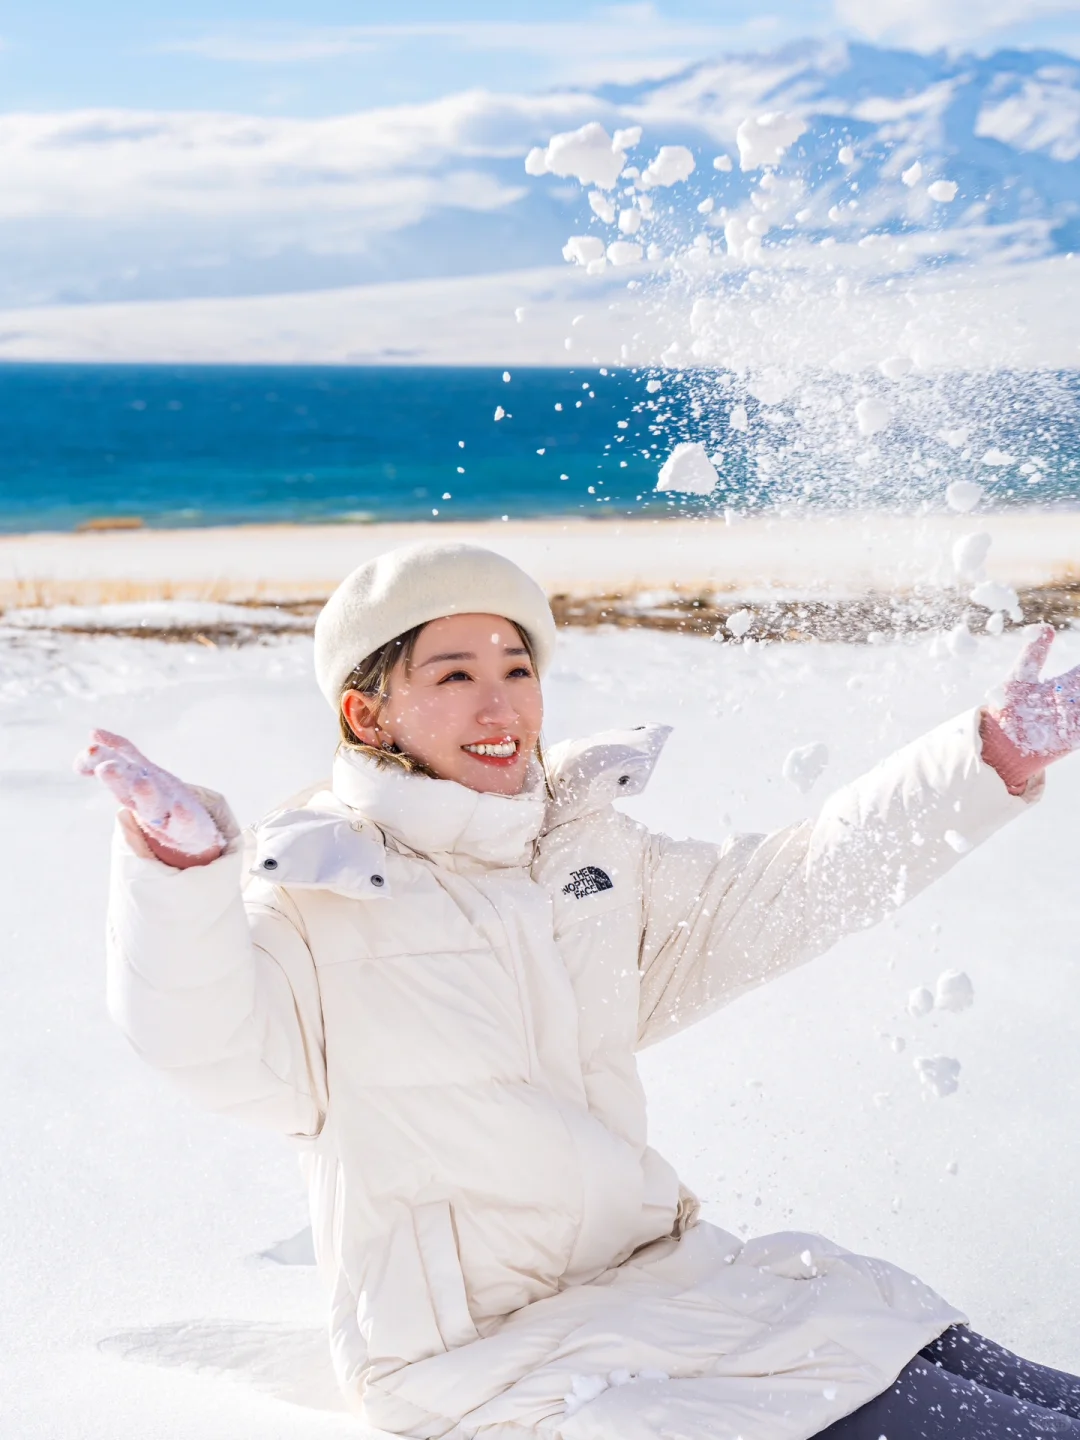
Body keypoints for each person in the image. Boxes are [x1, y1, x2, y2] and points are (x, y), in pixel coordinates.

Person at [79, 541, 1080, 1440]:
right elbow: (203, 1041)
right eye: (456, 674)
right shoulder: (318, 896)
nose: (499, 704)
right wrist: (176, 878)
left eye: (518, 669)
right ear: (366, 710)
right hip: (501, 1364)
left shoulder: (582, 862)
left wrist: (982, 762)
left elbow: (798, 883)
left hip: (681, 1287)